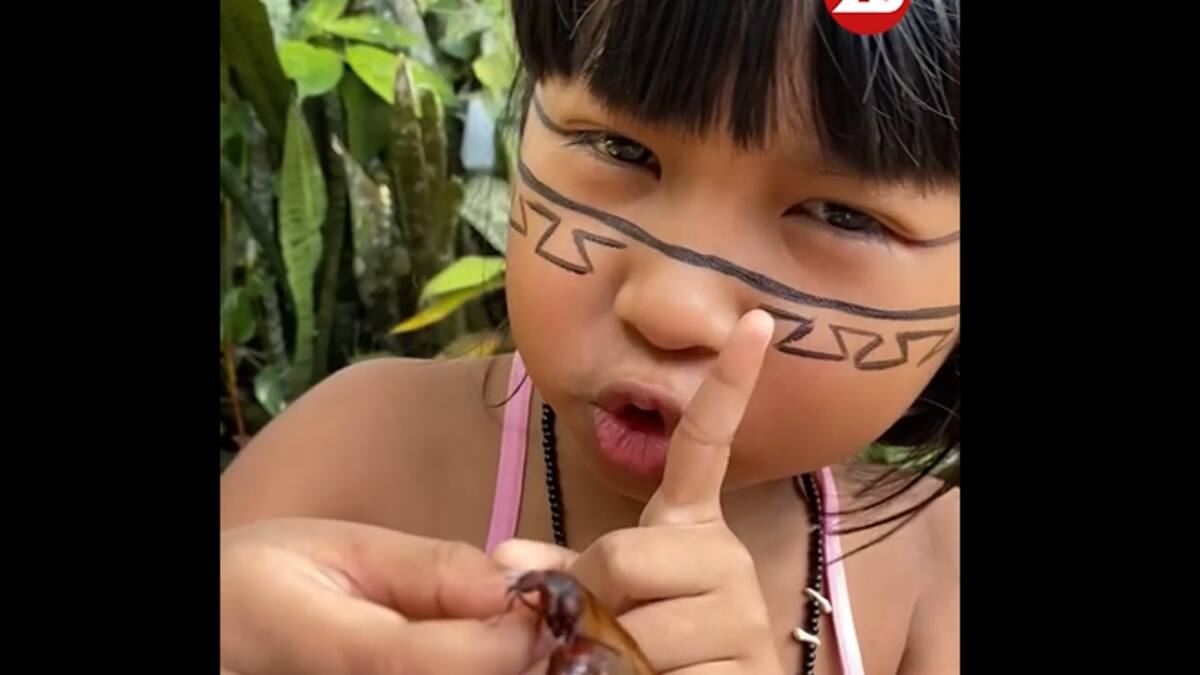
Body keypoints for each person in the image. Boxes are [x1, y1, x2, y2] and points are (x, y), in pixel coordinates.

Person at [221, 1, 961, 674]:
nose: (670, 309)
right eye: (619, 147)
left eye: (841, 216)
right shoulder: (346, 454)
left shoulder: (937, 583)